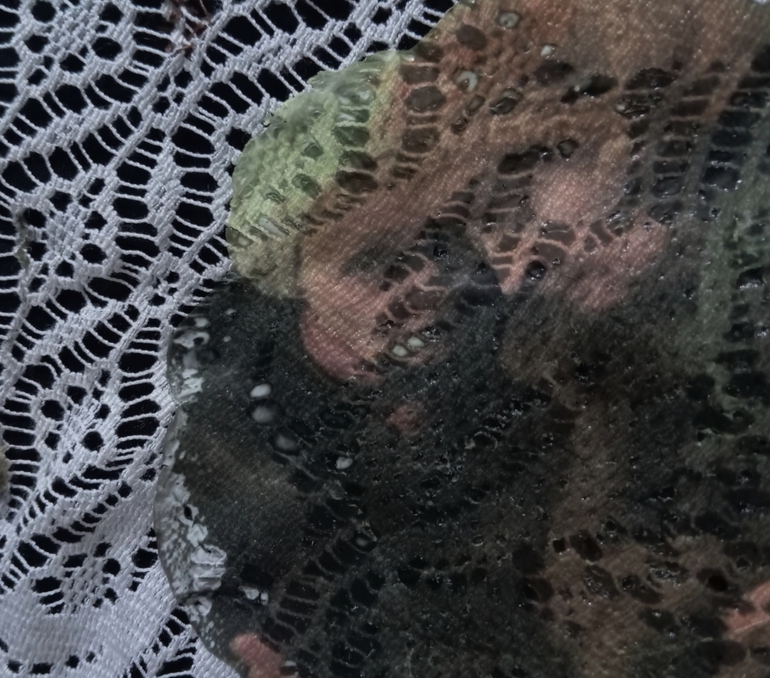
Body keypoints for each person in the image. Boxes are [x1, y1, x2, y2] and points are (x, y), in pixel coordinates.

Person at [157, 1, 770, 675]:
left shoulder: (538, 363)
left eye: (441, 244)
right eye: (372, 262)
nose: (428, 282)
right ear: (291, 283)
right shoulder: (245, 424)